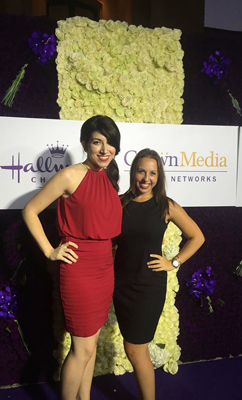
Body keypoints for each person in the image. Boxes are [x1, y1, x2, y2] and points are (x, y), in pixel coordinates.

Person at [22, 115, 122, 400]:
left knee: (90, 346)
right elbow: (30, 211)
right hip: (79, 270)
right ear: (85, 144)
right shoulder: (69, 175)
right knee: (82, 349)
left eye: (110, 143)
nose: (104, 150)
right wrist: (51, 250)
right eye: (97, 142)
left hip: (104, 268)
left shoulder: (108, 176)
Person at [113, 148, 205, 400]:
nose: (146, 178)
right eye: (142, 171)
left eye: (152, 173)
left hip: (148, 287)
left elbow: (197, 237)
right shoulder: (120, 203)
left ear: (159, 176)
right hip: (121, 285)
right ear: (133, 173)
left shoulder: (165, 206)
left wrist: (174, 262)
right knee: (131, 347)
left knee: (135, 348)